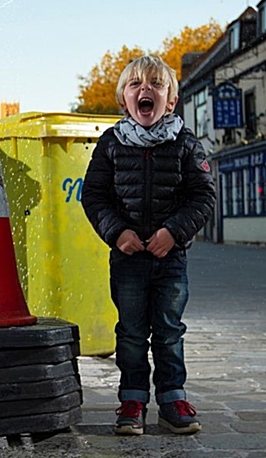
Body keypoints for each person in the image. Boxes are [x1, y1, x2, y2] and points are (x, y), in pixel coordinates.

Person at [81, 55, 216, 436]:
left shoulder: (185, 143)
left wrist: (173, 232)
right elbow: (94, 195)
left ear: (170, 101)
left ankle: (172, 399)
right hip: (128, 260)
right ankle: (133, 399)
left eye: (156, 84)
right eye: (135, 84)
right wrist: (116, 232)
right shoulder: (111, 144)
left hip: (170, 259)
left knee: (169, 331)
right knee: (131, 332)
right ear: (124, 100)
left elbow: (203, 195)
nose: (146, 89)